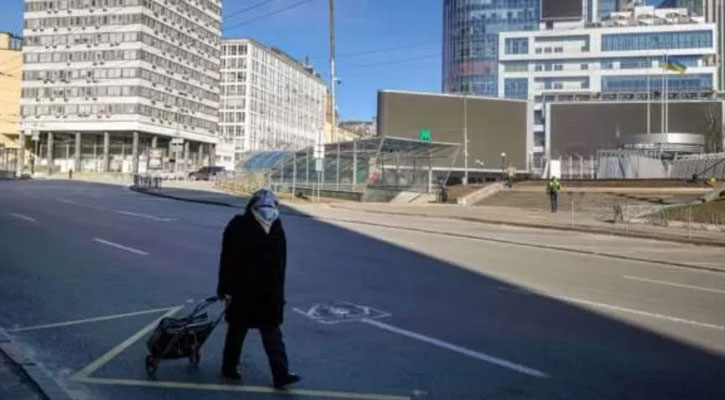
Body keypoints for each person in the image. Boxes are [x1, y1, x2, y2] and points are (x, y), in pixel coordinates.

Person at [217, 189, 300, 389]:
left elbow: (281, 264)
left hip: (268, 293)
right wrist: (225, 289)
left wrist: (279, 294)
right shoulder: (238, 225)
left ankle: (280, 374)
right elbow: (226, 259)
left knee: (272, 334)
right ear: (252, 207)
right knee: (237, 331)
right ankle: (229, 367)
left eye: (271, 206)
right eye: (263, 206)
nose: (267, 210)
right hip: (242, 290)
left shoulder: (277, 227)